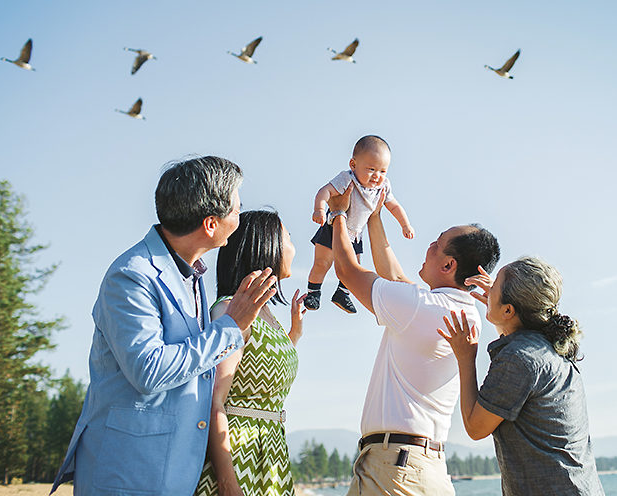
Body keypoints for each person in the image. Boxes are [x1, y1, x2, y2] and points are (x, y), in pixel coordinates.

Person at [51, 156, 278, 496]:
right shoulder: (130, 275)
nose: (240, 215)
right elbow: (149, 370)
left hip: (176, 473)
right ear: (210, 224)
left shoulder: (194, 274)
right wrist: (231, 326)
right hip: (129, 474)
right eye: (236, 207)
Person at [328, 187, 500, 496]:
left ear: (449, 266)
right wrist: (374, 216)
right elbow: (393, 277)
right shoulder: (460, 311)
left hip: (395, 467)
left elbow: (347, 270)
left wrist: (339, 213)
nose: (429, 246)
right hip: (416, 464)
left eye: (436, 243)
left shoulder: (420, 307)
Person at [438, 257, 606, 496]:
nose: (488, 286)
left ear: (509, 310)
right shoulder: (548, 348)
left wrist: (466, 358)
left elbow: (476, 427)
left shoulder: (519, 359)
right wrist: (500, 307)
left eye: (494, 285)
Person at [195, 210, 305, 496]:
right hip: (237, 454)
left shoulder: (267, 313)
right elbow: (214, 399)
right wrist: (228, 482)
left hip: (270, 453)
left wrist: (293, 335)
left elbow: (258, 372)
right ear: (266, 245)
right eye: (288, 238)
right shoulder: (231, 309)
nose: (293, 247)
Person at [304, 135, 414, 314]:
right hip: (332, 227)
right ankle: (313, 292)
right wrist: (319, 209)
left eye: (383, 171)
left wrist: (405, 224)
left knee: (356, 267)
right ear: (353, 165)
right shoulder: (347, 179)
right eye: (371, 169)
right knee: (322, 262)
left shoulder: (383, 187)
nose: (377, 176)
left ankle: (342, 293)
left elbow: (394, 206)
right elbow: (324, 191)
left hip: (355, 234)